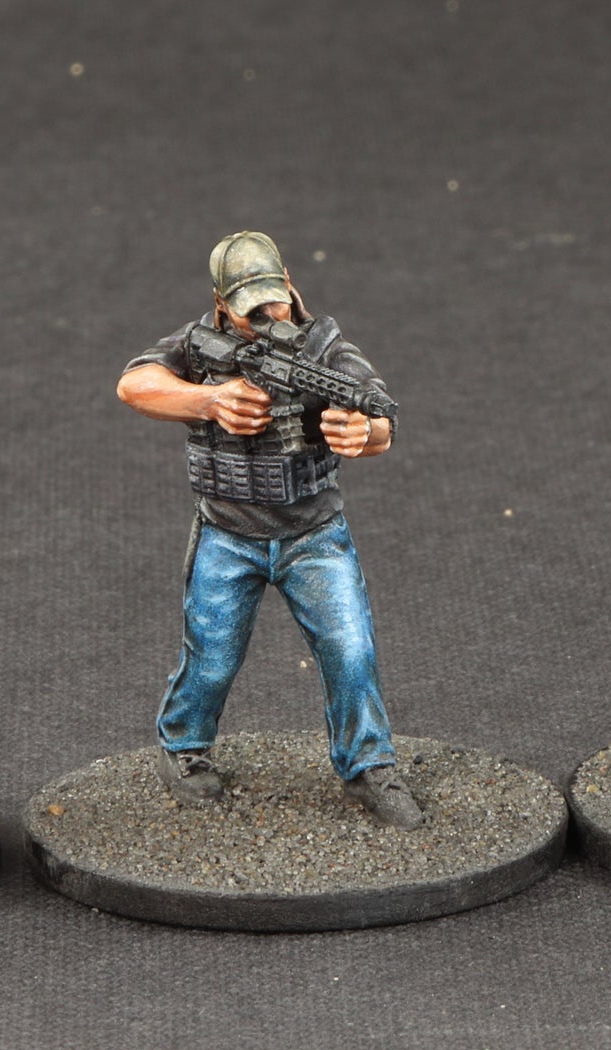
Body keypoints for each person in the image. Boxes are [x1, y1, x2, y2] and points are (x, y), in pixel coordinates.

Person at [116, 231, 422, 829]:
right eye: (248, 305)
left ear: (289, 285)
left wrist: (366, 432)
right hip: (227, 532)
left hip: (314, 533)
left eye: (273, 300)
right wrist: (209, 401)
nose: (265, 315)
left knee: (351, 650)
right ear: (220, 302)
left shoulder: (325, 346)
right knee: (212, 656)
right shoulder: (196, 343)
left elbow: (377, 413)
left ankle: (369, 766)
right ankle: (183, 748)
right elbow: (133, 384)